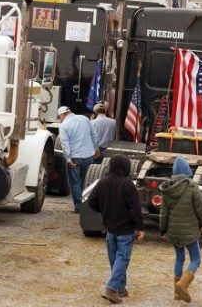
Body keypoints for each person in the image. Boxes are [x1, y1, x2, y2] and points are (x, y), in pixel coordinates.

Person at [88, 154, 144, 304]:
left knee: (116, 260)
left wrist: (105, 210)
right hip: (125, 230)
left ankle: (120, 289)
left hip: (109, 229)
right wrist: (140, 227)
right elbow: (135, 209)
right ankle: (112, 288)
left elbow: (92, 202)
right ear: (126, 167)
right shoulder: (127, 184)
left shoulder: (102, 182)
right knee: (122, 259)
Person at [160, 156, 202, 303]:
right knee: (196, 259)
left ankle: (176, 292)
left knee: (179, 258)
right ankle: (182, 284)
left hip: (174, 231)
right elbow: (199, 209)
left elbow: (164, 213)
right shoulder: (193, 186)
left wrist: (163, 230)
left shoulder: (167, 188)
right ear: (187, 169)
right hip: (190, 231)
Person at [58, 105, 98, 213]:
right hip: (89, 156)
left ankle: (80, 208)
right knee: (87, 182)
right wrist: (96, 148)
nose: (60, 119)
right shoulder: (84, 119)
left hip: (75, 158)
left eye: (59, 117)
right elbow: (94, 134)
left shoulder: (64, 125)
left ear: (62, 115)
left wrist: (68, 160)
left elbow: (65, 144)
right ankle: (89, 207)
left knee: (75, 183)